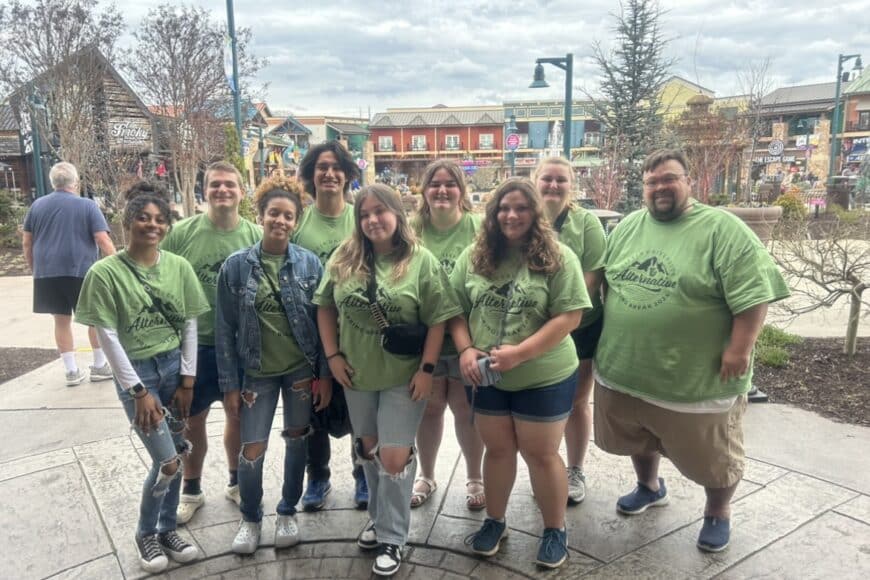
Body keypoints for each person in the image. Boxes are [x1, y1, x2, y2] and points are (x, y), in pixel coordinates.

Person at [593, 149, 790, 553]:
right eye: (651, 182)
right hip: (628, 371)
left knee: (715, 456)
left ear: (689, 181)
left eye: (669, 178)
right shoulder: (628, 227)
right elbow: (605, 284)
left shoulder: (723, 229)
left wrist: (740, 348)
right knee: (639, 437)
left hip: (696, 378)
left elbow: (755, 294)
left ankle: (718, 511)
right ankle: (649, 486)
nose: (660, 187)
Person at [314, 184, 461, 577]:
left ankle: (393, 537)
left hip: (404, 376)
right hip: (357, 374)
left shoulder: (420, 260)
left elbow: (439, 319)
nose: (372, 220)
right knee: (368, 449)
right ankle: (380, 519)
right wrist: (333, 356)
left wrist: (427, 370)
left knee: (394, 457)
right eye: (364, 214)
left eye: (380, 211)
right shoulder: (344, 258)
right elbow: (324, 306)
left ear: (397, 212)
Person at [449, 178, 591, 569]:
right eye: (503, 208)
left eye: (521, 208)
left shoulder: (559, 257)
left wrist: (521, 354)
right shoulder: (474, 256)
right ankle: (495, 521)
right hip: (487, 376)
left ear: (535, 212)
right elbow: (455, 309)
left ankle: (555, 529)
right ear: (493, 214)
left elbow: (570, 316)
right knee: (497, 450)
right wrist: (465, 349)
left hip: (543, 375)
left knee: (540, 454)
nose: (511, 215)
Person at [75, 181, 209, 573]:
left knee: (179, 452)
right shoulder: (105, 273)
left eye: (159, 219)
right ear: (127, 222)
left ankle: (168, 529)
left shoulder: (179, 267)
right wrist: (137, 390)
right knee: (167, 461)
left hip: (173, 370)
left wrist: (187, 379)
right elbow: (107, 335)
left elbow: (189, 324)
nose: (152, 225)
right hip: (138, 374)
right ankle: (146, 533)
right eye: (144, 218)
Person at [215, 176, 332, 554]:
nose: (280, 221)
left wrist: (324, 376)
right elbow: (224, 329)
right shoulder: (235, 267)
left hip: (300, 371)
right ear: (261, 215)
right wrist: (229, 385)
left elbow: (322, 324)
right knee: (251, 448)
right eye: (274, 213)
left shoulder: (310, 265)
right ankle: (251, 518)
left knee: (297, 442)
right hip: (256, 374)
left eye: (288, 216)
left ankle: (287, 511)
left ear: (296, 221)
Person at [161, 161, 262, 524]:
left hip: (240, 346)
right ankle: (192, 489)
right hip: (195, 345)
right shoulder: (181, 234)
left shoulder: (256, 235)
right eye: (215, 184)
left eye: (229, 184)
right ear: (204, 191)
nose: (222, 190)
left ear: (241, 191)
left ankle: (236, 482)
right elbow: (159, 277)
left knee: (240, 416)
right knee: (192, 419)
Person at [294, 141, 368, 510]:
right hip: (309, 333)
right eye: (322, 166)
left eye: (337, 167)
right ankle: (318, 478)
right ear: (311, 174)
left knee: (361, 405)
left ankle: (363, 474)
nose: (329, 173)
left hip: (356, 331)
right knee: (313, 408)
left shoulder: (361, 218)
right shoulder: (299, 222)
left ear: (348, 175)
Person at [410, 159, 485, 511]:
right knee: (429, 408)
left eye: (450, 184)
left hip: (467, 338)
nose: (442, 190)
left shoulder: (478, 228)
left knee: (466, 410)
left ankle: (475, 476)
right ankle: (426, 474)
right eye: (435, 184)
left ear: (461, 190)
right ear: (424, 190)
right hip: (424, 341)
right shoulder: (412, 229)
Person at [534, 157, 606, 505]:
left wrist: (561, 314)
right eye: (547, 178)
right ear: (535, 181)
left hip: (579, 326)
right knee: (542, 404)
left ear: (571, 185)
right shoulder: (525, 218)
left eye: (561, 180)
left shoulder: (586, 223)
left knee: (576, 401)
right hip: (533, 328)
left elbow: (593, 276)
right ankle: (545, 470)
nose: (553, 185)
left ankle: (575, 469)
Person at [22, 161, 116, 386]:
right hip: (80, 270)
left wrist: (35, 268)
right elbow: (102, 239)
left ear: (52, 182)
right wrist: (119, 264)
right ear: (75, 182)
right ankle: (99, 365)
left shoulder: (37, 206)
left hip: (48, 271)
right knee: (94, 319)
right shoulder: (87, 206)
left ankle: (71, 371)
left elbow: (27, 242)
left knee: (61, 320)